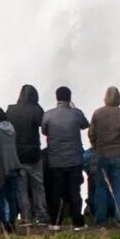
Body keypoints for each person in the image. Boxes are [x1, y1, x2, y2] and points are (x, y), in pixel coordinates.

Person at [40, 87, 88, 229]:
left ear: (56, 98)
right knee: (75, 191)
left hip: (56, 161)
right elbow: (85, 124)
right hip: (74, 160)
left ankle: (55, 222)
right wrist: (74, 107)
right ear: (69, 98)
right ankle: (77, 222)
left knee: (56, 192)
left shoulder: (48, 115)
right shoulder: (76, 114)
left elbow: (44, 130)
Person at [88, 87, 120, 225]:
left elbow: (91, 134)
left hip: (101, 154)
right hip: (119, 155)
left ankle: (101, 219)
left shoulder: (97, 113)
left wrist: (96, 147)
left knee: (101, 188)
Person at [7, 86, 46, 226]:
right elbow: (44, 122)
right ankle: (41, 216)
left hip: (18, 155)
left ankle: (26, 217)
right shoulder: (36, 110)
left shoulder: (11, 110)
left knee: (21, 188)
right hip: (34, 154)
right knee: (38, 186)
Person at [0, 107, 20, 232]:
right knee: (12, 197)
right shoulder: (12, 129)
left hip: (1, 168)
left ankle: (4, 223)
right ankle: (12, 223)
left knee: (0, 196)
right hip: (14, 165)